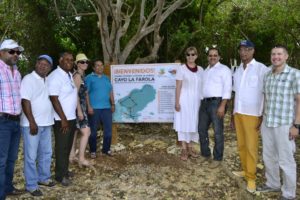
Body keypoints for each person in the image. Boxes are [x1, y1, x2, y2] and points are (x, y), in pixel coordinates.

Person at [258, 45, 299, 200]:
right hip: (268, 122)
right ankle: (273, 183)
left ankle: (289, 194)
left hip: (284, 124)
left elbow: (299, 101)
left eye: (279, 54)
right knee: (268, 156)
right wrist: (262, 117)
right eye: (273, 54)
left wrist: (296, 125)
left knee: (286, 159)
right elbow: (266, 99)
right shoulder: (268, 75)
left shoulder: (294, 74)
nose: (276, 57)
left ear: (286, 56)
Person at [232, 40, 269, 193]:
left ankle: (251, 178)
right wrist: (232, 113)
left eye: (247, 49)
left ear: (253, 51)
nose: (243, 53)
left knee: (251, 147)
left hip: (253, 114)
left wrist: (262, 114)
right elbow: (236, 93)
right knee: (241, 145)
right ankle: (245, 170)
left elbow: (266, 93)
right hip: (238, 113)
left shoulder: (261, 69)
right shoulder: (238, 70)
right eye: (241, 50)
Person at [20, 55, 55, 196]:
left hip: (47, 123)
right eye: (40, 63)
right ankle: (31, 185)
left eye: (46, 65)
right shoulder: (29, 79)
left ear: (50, 68)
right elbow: (25, 101)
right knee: (31, 156)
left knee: (46, 153)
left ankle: (43, 178)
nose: (43, 66)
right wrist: (32, 121)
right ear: (36, 64)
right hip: (32, 125)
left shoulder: (47, 80)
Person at [198, 47, 232, 168]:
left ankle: (217, 158)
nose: (212, 57)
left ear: (219, 57)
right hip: (204, 103)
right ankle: (205, 154)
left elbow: (227, 88)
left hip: (217, 103)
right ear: (208, 57)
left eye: (215, 55)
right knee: (201, 129)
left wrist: (222, 105)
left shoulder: (224, 69)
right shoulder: (205, 70)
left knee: (217, 132)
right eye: (210, 55)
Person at [47, 52, 77, 186]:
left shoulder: (69, 75)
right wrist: (63, 119)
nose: (69, 62)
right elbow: (54, 98)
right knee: (61, 148)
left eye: (71, 60)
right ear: (60, 60)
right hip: (61, 119)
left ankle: (64, 170)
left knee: (68, 146)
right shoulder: (55, 76)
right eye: (66, 60)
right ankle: (59, 176)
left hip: (71, 117)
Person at [0, 39, 25, 199]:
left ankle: (8, 187)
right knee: (1, 160)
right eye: (12, 51)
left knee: (11, 159)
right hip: (2, 121)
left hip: (16, 121)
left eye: (18, 52)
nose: (16, 54)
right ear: (1, 52)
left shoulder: (17, 72)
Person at [173, 46, 204, 161]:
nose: (190, 56)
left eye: (193, 54)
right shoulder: (181, 69)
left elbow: (203, 86)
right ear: (186, 56)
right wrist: (177, 102)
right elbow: (178, 86)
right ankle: (184, 149)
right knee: (183, 123)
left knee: (194, 123)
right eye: (188, 54)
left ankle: (191, 147)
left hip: (196, 101)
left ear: (197, 56)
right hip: (184, 100)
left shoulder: (201, 70)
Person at [85, 60, 115, 158]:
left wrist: (113, 104)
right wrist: (89, 106)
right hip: (94, 109)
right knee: (93, 131)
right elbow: (86, 93)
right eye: (97, 66)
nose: (100, 67)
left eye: (101, 65)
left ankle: (106, 149)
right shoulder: (89, 78)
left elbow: (110, 91)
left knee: (108, 131)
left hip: (106, 108)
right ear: (93, 68)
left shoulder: (106, 78)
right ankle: (93, 150)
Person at [69, 53, 91, 167]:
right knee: (86, 132)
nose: (85, 63)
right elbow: (75, 95)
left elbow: (85, 94)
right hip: (77, 108)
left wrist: (87, 107)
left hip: (81, 107)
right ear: (77, 64)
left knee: (75, 131)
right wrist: (79, 111)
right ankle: (81, 159)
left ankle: (72, 156)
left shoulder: (83, 75)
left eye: (86, 61)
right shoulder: (77, 76)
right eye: (82, 62)